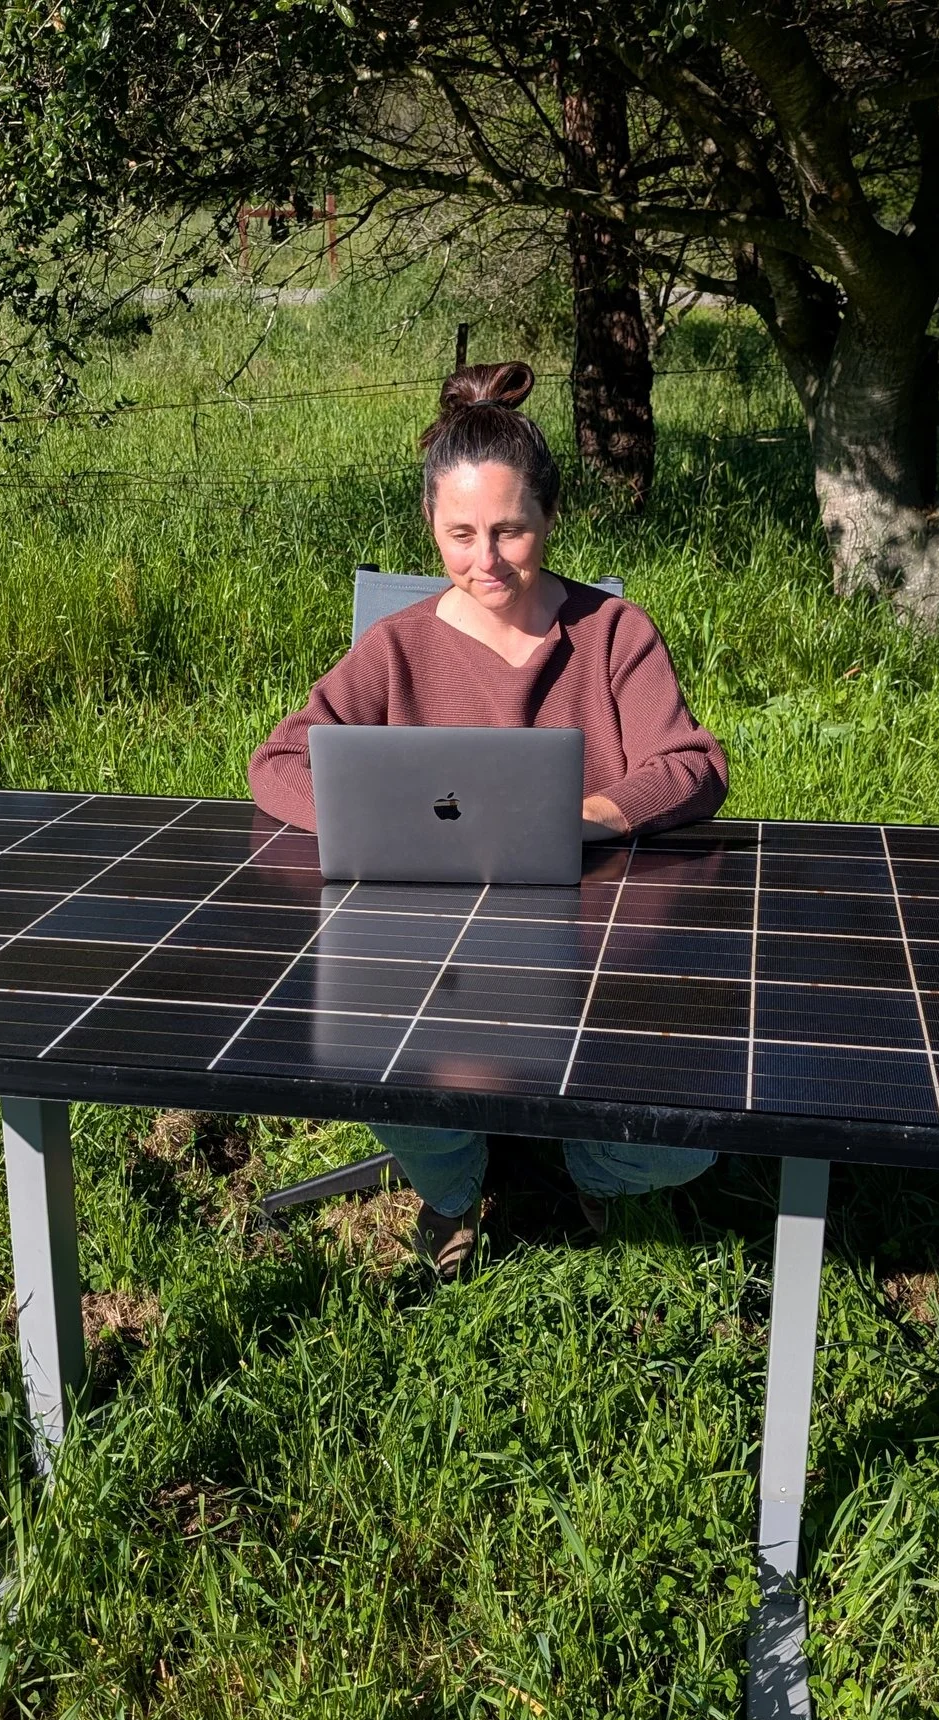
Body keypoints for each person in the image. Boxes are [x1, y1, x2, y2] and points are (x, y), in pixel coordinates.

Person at [248, 359, 728, 1276]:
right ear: (431, 525)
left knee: (688, 1141)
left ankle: (584, 1164)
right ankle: (452, 1185)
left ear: (549, 518)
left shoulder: (614, 634)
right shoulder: (397, 646)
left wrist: (597, 811)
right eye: (461, 532)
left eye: (510, 530)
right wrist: (364, 821)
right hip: (435, 957)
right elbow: (276, 762)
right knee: (381, 1072)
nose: (486, 559)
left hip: (598, 946)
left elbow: (695, 767)